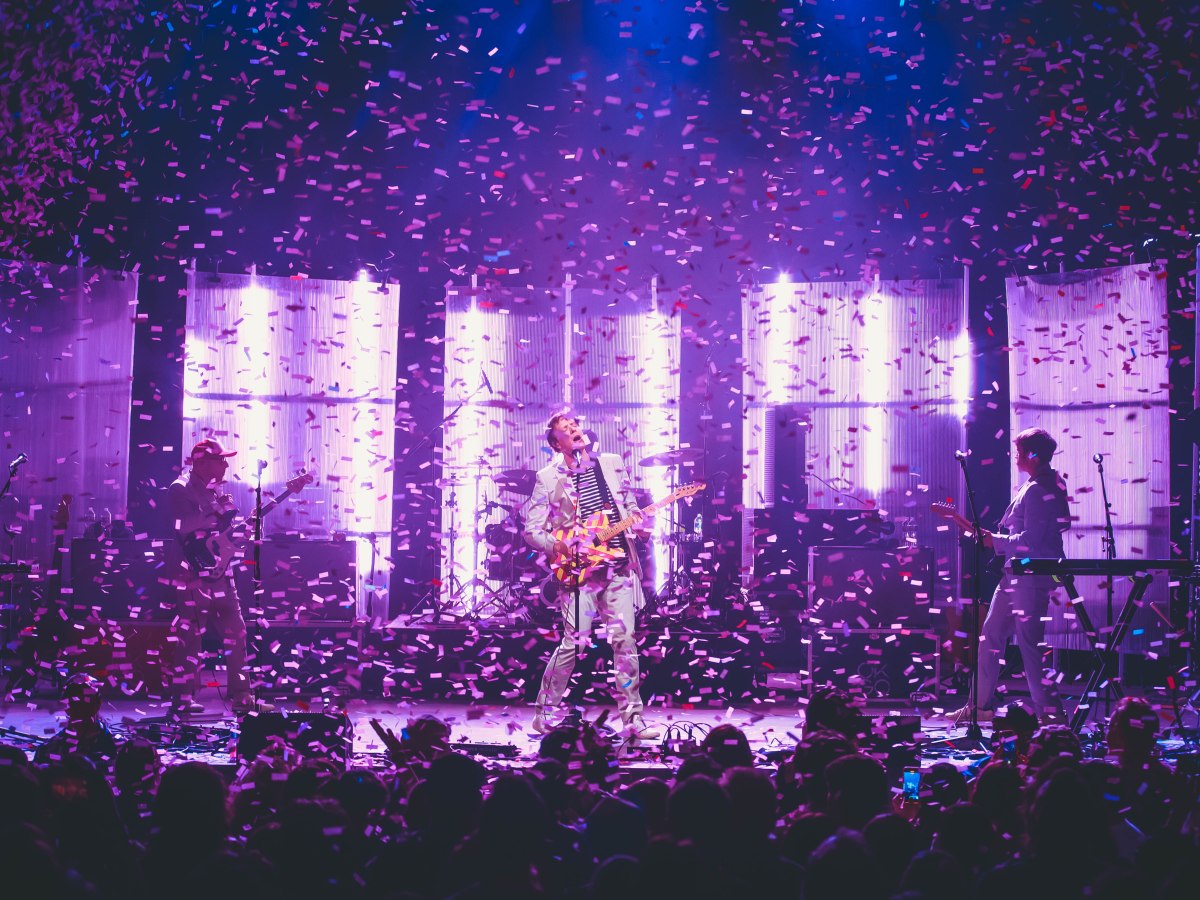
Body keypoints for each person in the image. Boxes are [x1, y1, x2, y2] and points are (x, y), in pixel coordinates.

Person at [523, 414, 660, 739]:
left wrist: (639, 528)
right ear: (557, 444)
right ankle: (544, 715)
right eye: (567, 432)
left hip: (616, 567)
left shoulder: (611, 463)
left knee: (625, 642)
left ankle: (633, 719)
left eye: (576, 428)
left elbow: (626, 507)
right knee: (574, 642)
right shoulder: (548, 477)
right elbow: (532, 530)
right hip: (578, 573)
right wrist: (559, 545)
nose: (576, 433)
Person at [955, 427, 1069, 723]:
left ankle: (1052, 718)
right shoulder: (1041, 484)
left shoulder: (1040, 488)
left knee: (1030, 646)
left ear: (1033, 455)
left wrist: (996, 540)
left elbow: (1031, 539)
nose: (1016, 457)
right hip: (1016, 573)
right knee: (991, 634)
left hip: (1030, 575)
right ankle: (979, 707)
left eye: (1020, 451)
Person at [164, 439, 266, 715]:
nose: (225, 465)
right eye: (219, 460)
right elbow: (181, 525)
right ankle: (183, 698)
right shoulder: (180, 488)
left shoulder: (215, 492)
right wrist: (215, 510)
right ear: (200, 462)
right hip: (192, 574)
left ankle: (242, 695)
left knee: (238, 632)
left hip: (222, 574)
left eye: (225, 460)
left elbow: (222, 537)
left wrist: (243, 531)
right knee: (191, 636)